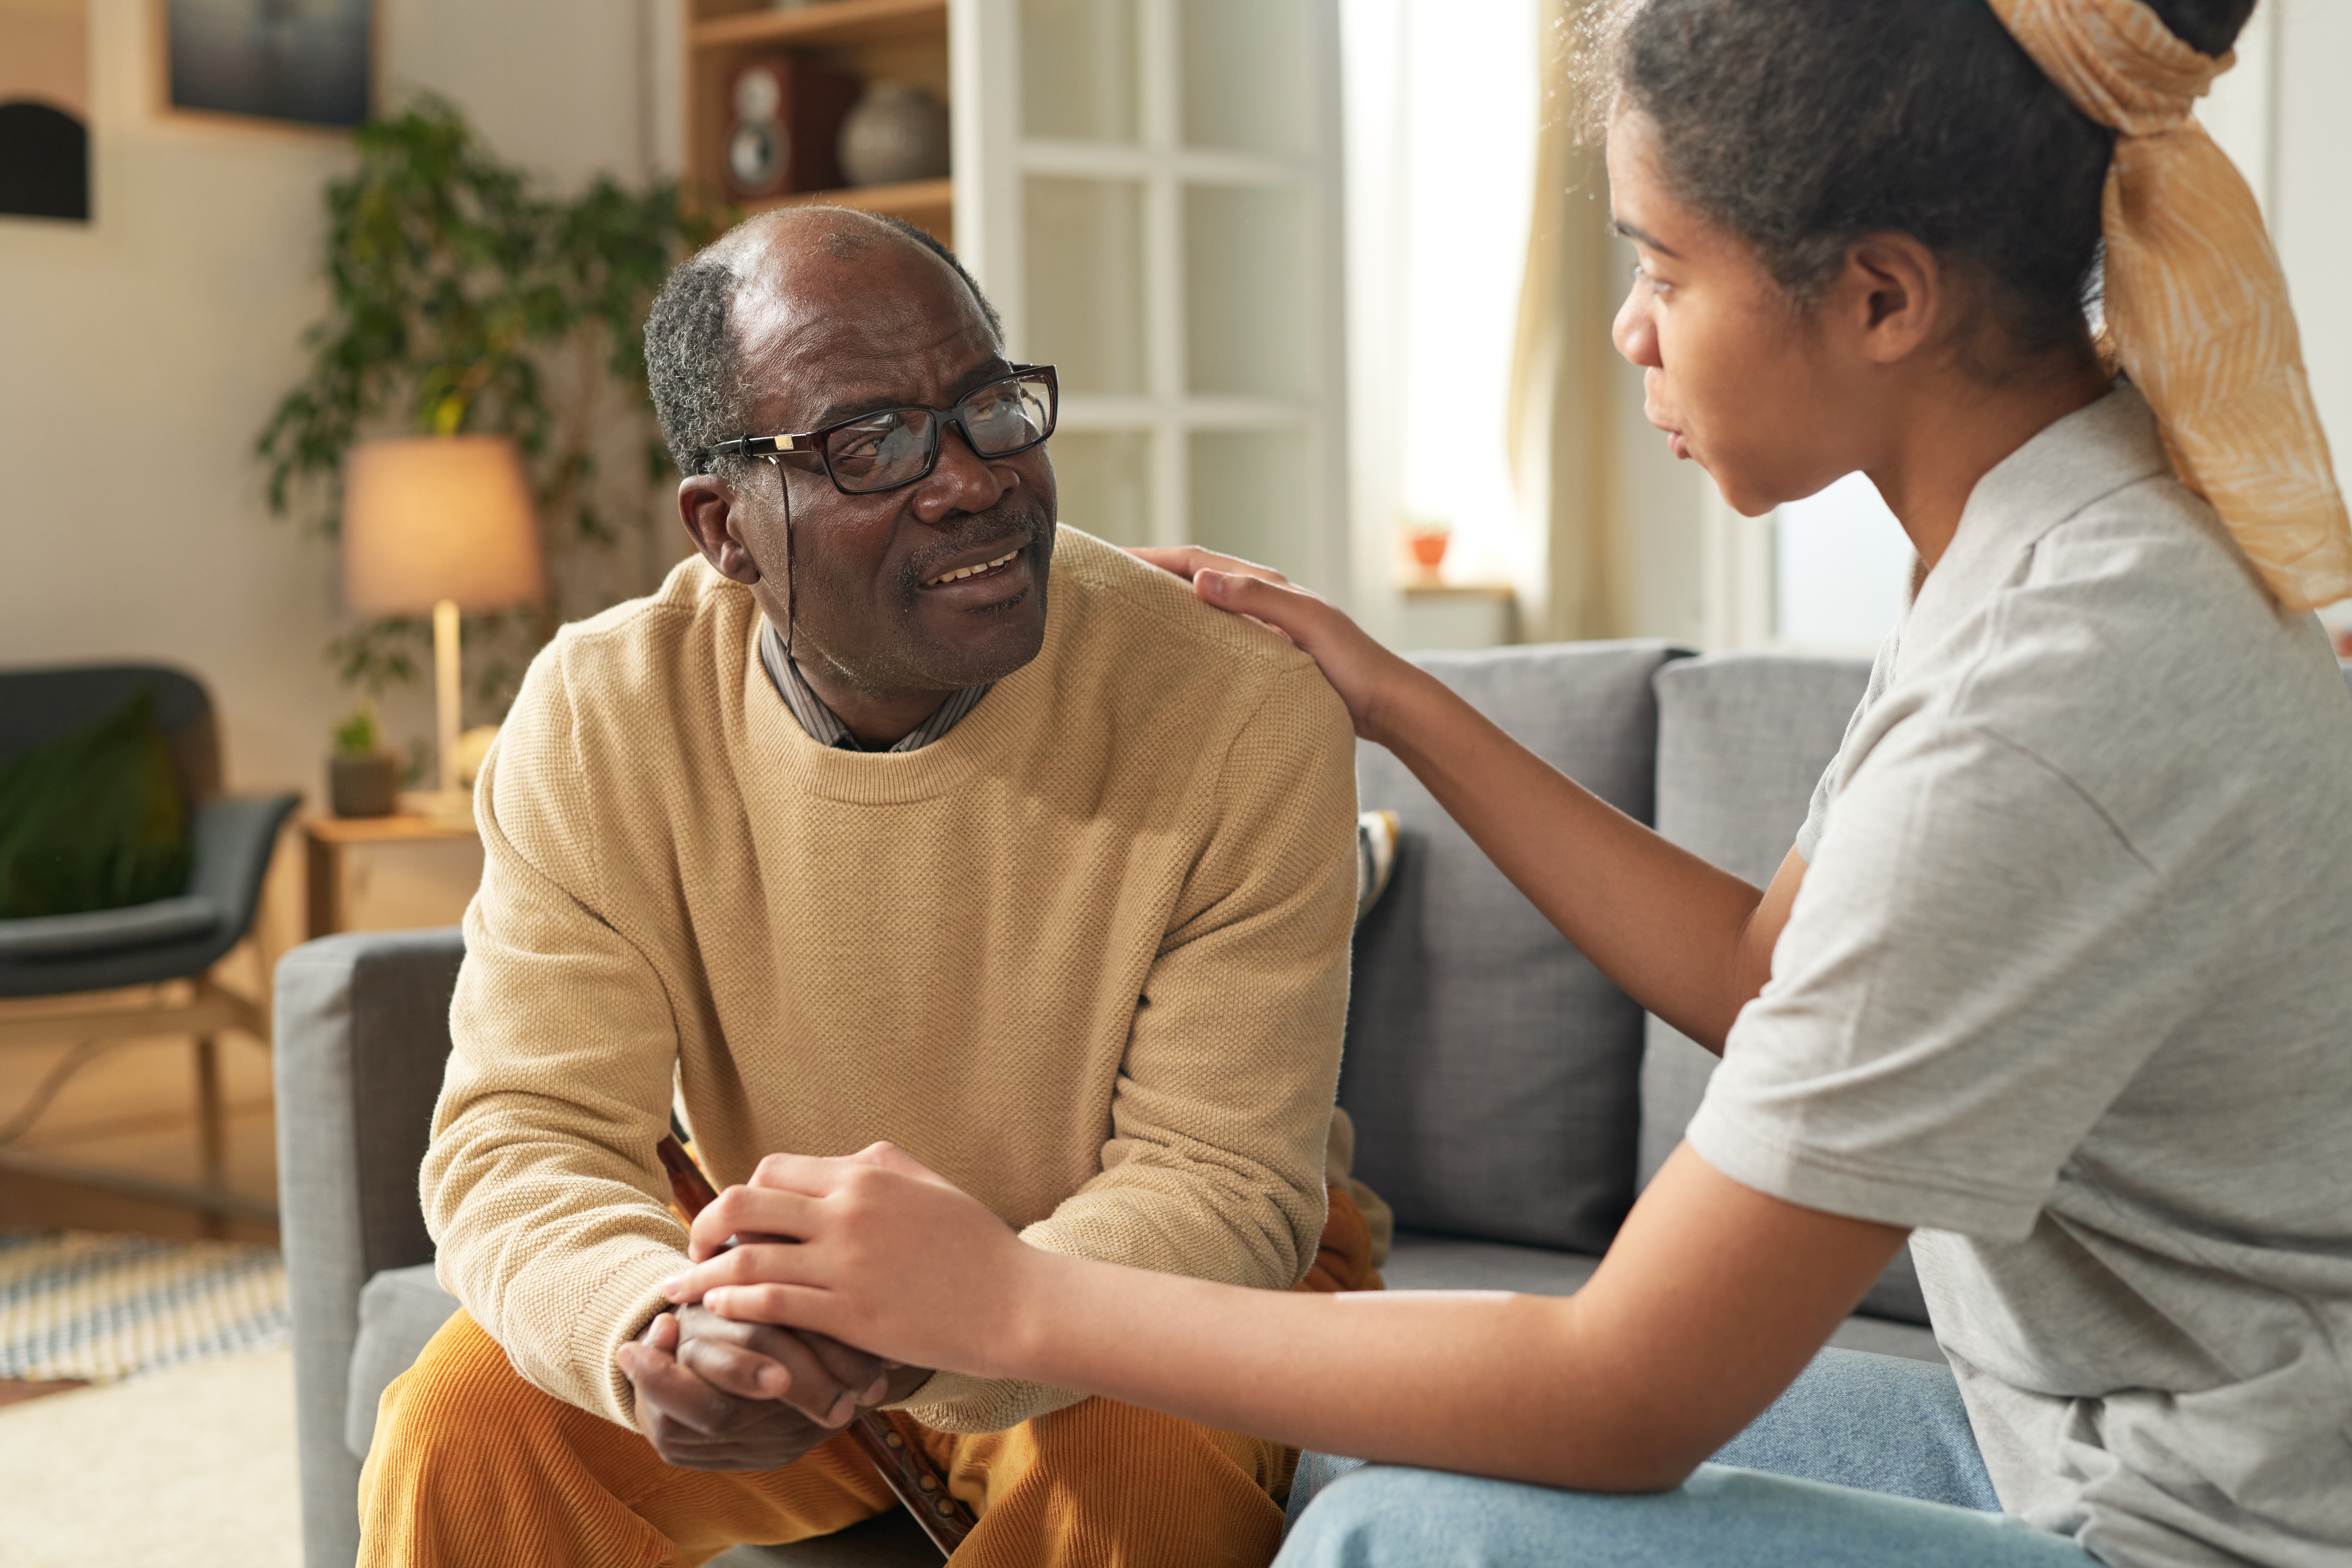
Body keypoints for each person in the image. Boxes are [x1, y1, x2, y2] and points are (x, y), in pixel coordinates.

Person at [656, 1, 2352, 1565]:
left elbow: (1621, 1395)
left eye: (1666, 272)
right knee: (1345, 1445)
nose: (1629, 333)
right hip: (2089, 1439)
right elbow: (1783, 982)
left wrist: (1007, 1298)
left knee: (1399, 1539)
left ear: (1883, 297)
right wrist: (1403, 704)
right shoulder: (2053, 535)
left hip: (2227, 1531)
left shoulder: (2045, 698)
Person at [356, 205, 1390, 1568]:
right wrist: (658, 1321)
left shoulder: (1238, 709)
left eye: (992, 409)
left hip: (1151, 1298)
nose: (973, 480)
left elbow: (1222, 1187)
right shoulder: (602, 713)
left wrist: (943, 1312)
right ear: (725, 527)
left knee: (1134, 1452)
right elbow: (523, 1129)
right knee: (463, 1426)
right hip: (798, 1306)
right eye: (871, 442)